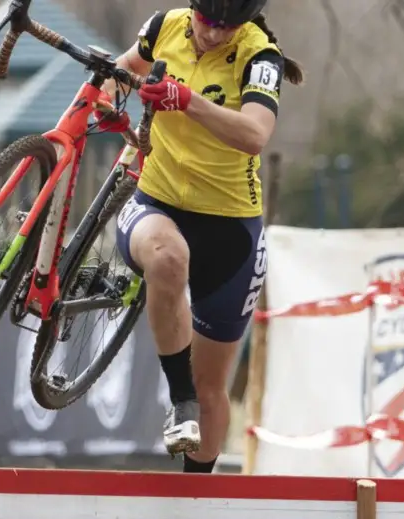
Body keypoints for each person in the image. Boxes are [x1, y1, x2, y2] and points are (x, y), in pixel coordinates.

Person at [98, 0, 304, 473]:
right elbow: (123, 68)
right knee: (168, 258)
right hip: (158, 203)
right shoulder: (164, 25)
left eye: (229, 27)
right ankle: (179, 400)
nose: (214, 34)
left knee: (213, 392)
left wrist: (186, 101)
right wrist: (111, 97)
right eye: (207, 21)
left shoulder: (260, 57)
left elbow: (255, 134)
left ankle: (197, 505)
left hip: (230, 233)